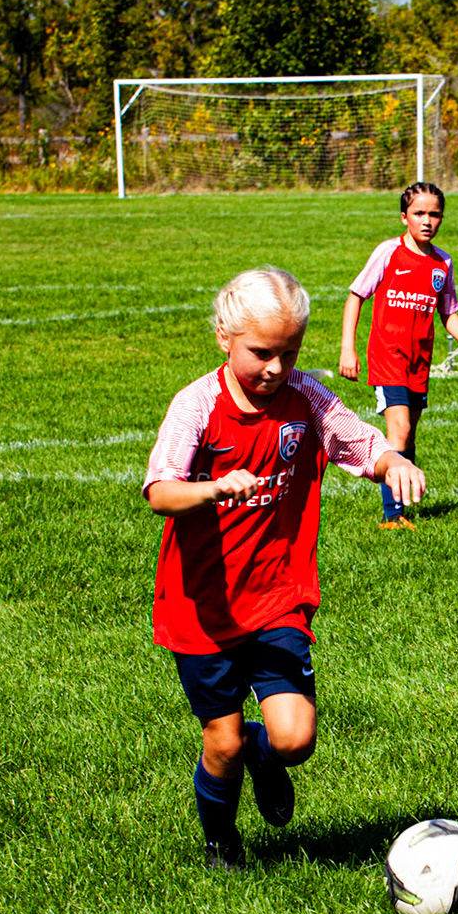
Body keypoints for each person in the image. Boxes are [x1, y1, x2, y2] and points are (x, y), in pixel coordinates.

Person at [146, 267, 427, 871]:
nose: (276, 368)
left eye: (290, 352)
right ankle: (222, 845)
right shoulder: (197, 405)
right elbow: (161, 491)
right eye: (262, 353)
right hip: (203, 605)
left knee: (296, 738)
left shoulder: (307, 397)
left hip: (278, 595)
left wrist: (393, 461)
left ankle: (265, 754)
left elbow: (355, 439)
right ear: (224, 337)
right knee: (221, 743)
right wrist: (213, 488)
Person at [340, 182, 458, 529]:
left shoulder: (442, 262)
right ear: (404, 217)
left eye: (434, 214)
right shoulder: (389, 252)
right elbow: (356, 297)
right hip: (388, 356)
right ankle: (392, 515)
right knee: (398, 431)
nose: (427, 220)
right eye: (419, 213)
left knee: (409, 435)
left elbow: (447, 310)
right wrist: (348, 349)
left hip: (420, 361)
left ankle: (401, 505)